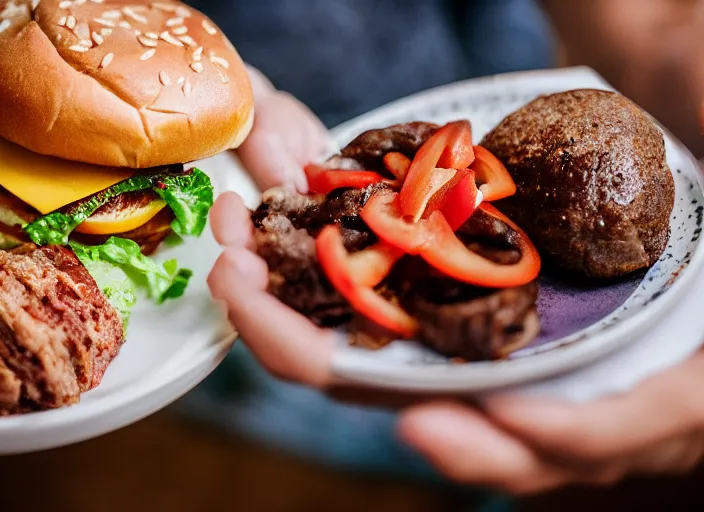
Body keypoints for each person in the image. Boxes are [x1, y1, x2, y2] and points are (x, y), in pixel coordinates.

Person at [186, 0, 704, 498]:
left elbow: (640, 24)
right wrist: (207, 90)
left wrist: (667, 49)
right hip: (237, 179)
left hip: (499, 78)